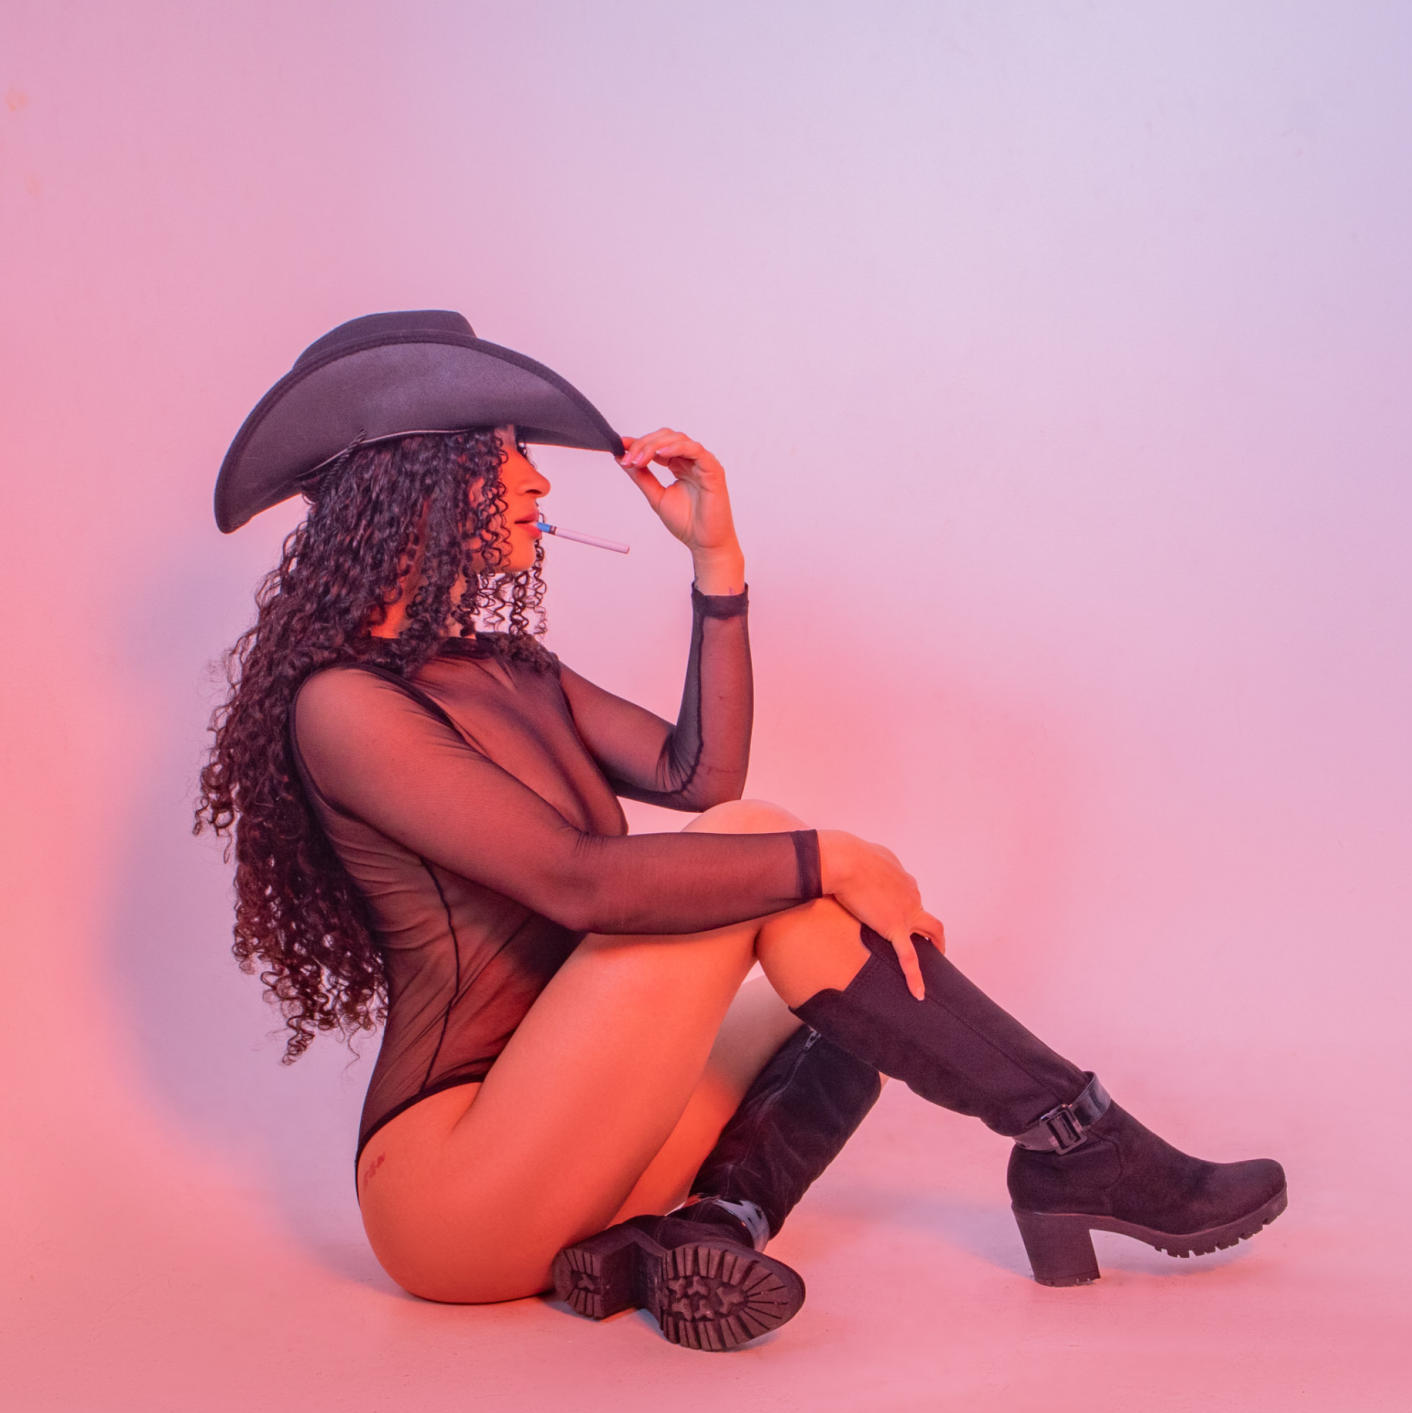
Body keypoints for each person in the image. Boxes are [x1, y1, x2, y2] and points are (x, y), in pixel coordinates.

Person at [195, 311, 1287, 1351]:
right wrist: (833, 854)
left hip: (583, 1148)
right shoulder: (344, 706)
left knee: (867, 976)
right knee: (768, 854)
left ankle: (715, 1226)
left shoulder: (508, 669)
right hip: (455, 1195)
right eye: (504, 457)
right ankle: (1079, 1144)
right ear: (412, 483)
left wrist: (716, 563)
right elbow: (580, 882)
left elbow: (697, 771)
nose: (535, 481)